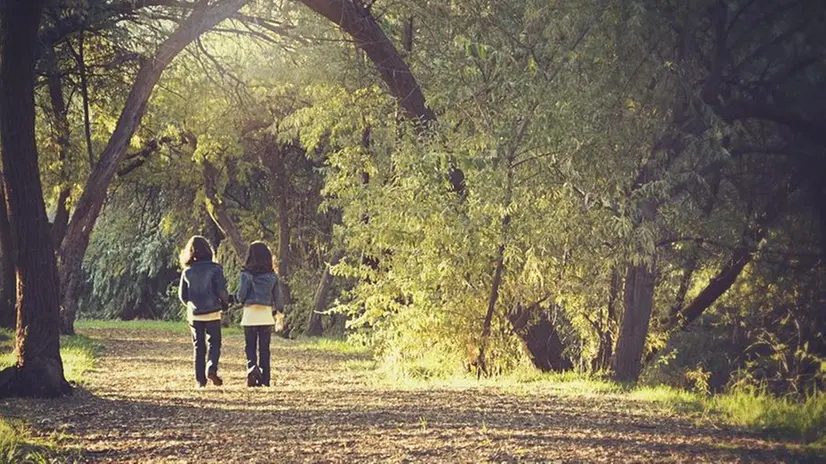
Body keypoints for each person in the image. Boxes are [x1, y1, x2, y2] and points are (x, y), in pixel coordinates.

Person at [178, 235, 229, 388]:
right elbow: (221, 291)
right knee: (214, 343)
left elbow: (182, 296)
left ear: (190, 252)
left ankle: (200, 381)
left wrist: (191, 305)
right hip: (213, 312)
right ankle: (211, 368)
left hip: (194, 314)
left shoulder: (187, 272)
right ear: (208, 250)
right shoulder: (215, 269)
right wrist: (225, 303)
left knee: (198, 346)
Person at [236, 241, 284, 387]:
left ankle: (252, 369)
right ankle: (265, 378)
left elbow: (241, 296)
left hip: (250, 315)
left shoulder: (246, 275)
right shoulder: (272, 276)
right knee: (264, 349)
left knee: (250, 346)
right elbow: (278, 298)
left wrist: (236, 300)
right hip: (265, 316)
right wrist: (279, 313)